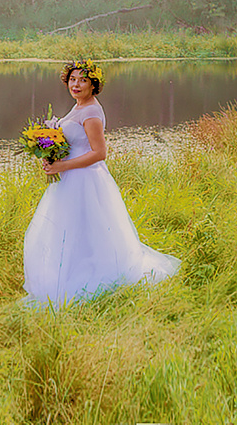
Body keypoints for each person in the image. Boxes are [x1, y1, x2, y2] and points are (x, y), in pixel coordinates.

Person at [22, 59, 181, 305]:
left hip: (86, 180)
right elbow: (75, 144)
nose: (76, 84)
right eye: (72, 79)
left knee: (88, 228)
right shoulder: (78, 107)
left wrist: (62, 165)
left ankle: (94, 278)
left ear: (93, 85)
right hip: (70, 180)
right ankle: (67, 274)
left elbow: (99, 153)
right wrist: (51, 155)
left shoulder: (92, 112)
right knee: (68, 229)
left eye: (82, 80)